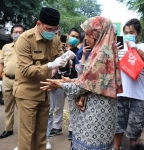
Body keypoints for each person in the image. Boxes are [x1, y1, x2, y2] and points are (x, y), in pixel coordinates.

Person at [40, 16, 122, 150]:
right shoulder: (108, 52)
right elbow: (93, 82)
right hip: (105, 112)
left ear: (97, 33)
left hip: (95, 115)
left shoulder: (101, 56)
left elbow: (83, 87)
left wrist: (59, 84)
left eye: (88, 34)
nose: (86, 39)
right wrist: (71, 80)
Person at [13, 7, 75, 150]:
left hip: (45, 92)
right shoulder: (25, 39)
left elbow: (59, 57)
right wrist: (50, 65)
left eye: (55, 29)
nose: (52, 32)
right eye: (49, 28)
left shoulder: (55, 38)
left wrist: (66, 58)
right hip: (27, 93)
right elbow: (25, 70)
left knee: (41, 135)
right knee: (27, 136)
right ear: (39, 23)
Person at [113, 18, 144, 150]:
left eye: (131, 32)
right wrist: (114, 54)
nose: (128, 34)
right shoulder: (119, 47)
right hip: (121, 91)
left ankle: (133, 147)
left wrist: (137, 50)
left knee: (135, 125)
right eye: (126, 32)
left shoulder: (142, 46)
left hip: (139, 94)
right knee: (118, 124)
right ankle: (116, 147)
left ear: (138, 34)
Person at [47, 28, 80, 146]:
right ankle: (57, 127)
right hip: (59, 82)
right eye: (72, 35)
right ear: (67, 36)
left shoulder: (78, 51)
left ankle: (72, 129)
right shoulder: (59, 49)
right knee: (57, 106)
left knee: (72, 107)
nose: (74, 38)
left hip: (71, 82)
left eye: (76, 37)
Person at [0, 24, 25, 138]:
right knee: (8, 107)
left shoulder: (27, 47)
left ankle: (24, 131)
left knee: (22, 108)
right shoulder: (5, 47)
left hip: (21, 81)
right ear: (11, 34)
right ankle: (9, 129)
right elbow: (0, 65)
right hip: (7, 79)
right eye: (15, 32)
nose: (18, 34)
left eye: (20, 32)